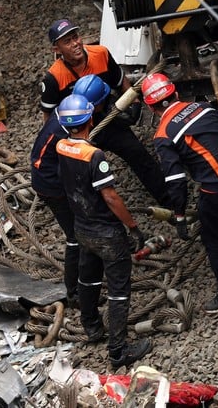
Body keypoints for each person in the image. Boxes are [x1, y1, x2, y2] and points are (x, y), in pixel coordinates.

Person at [141, 72, 218, 314]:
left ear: (151, 109)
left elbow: (175, 180)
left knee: (211, 234)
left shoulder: (164, 135)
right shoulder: (202, 107)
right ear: (176, 93)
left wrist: (180, 215)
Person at [55, 94, 152, 368]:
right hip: (107, 233)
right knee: (119, 291)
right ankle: (118, 351)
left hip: (82, 227)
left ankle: (92, 327)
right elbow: (110, 197)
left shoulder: (62, 146)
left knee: (89, 279)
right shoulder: (95, 156)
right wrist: (133, 227)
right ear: (90, 119)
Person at [40, 19, 171, 207]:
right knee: (80, 175)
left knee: (138, 153)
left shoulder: (100, 54)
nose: (75, 43)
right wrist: (60, 146)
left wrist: (133, 102)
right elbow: (48, 117)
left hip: (107, 118)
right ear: (56, 50)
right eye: (67, 41)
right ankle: (93, 212)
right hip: (78, 129)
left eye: (75, 37)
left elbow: (120, 81)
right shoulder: (53, 78)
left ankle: (169, 201)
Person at [30, 106, 79, 306]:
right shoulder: (64, 133)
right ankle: (74, 292)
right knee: (76, 237)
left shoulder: (62, 115)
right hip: (51, 186)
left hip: (46, 181)